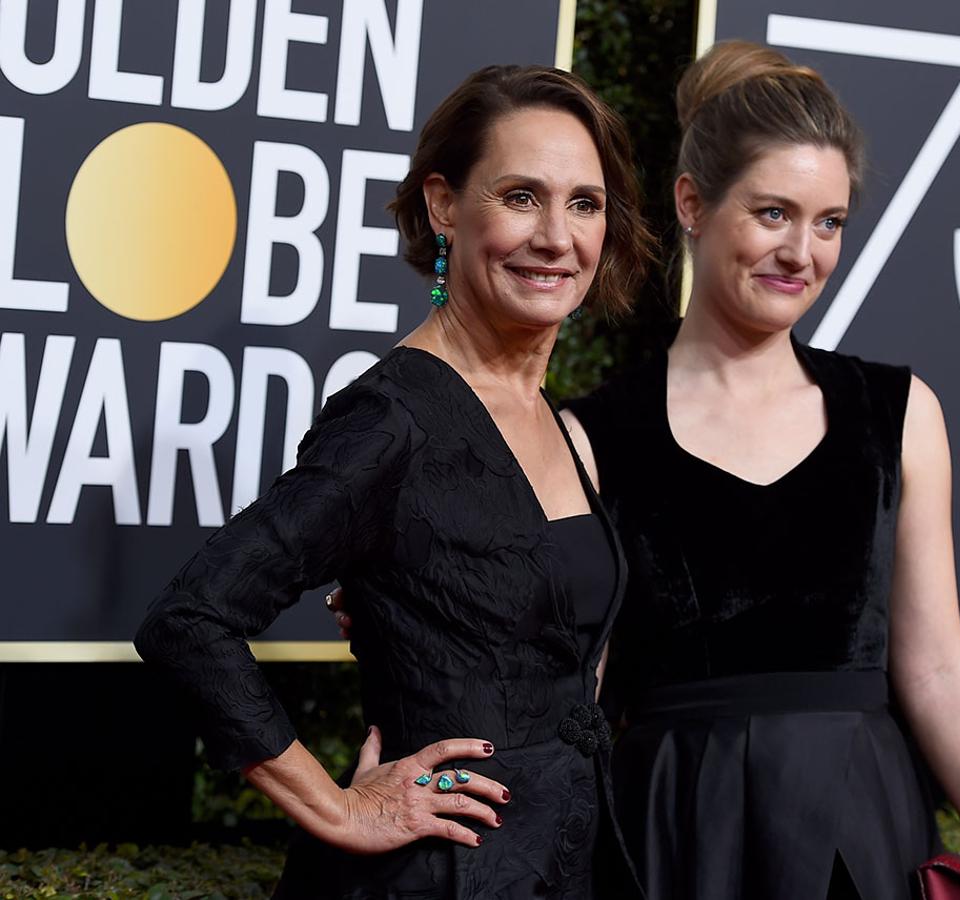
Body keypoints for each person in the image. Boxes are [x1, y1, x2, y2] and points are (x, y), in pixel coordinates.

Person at [135, 63, 654, 900]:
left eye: (584, 203)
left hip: (571, 858)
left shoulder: (564, 428)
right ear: (444, 206)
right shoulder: (391, 421)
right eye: (521, 196)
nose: (558, 236)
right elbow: (189, 621)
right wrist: (338, 809)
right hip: (440, 873)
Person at [558, 42, 960, 899]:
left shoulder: (897, 415)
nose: (802, 253)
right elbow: (570, 697)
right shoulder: (593, 437)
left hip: (865, 821)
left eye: (828, 222)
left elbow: (932, 664)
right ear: (693, 202)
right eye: (774, 213)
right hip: (675, 828)